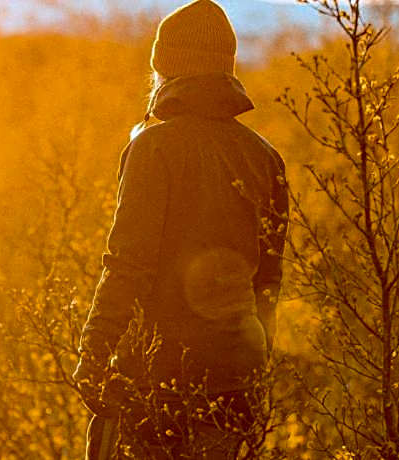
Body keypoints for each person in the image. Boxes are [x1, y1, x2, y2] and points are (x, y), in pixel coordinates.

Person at [72, 1, 289, 458]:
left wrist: (93, 353)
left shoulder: (153, 148)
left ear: (166, 70)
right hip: (236, 383)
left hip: (159, 381)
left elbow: (129, 264)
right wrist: (256, 362)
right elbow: (269, 281)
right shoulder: (265, 157)